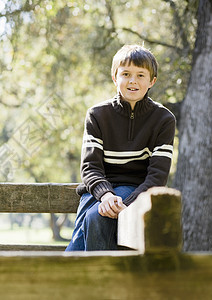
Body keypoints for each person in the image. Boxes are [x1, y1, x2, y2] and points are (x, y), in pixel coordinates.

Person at [65, 44, 176, 251]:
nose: (133, 81)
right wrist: (106, 196)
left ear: (152, 81)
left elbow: (157, 177)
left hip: (136, 190)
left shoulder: (163, 119)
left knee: (97, 218)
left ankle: (98, 281)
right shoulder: (97, 115)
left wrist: (125, 205)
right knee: (79, 243)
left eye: (140, 75)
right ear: (115, 78)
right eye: (126, 74)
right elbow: (90, 168)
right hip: (97, 192)